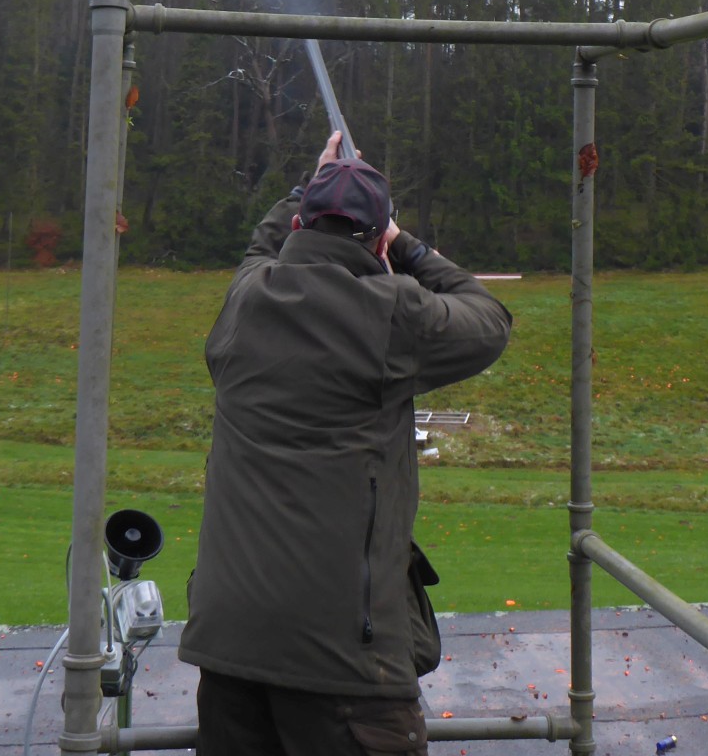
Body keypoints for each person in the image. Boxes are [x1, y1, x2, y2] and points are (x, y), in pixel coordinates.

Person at [178, 133, 513, 756]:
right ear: (376, 241)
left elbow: (261, 247)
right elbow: (488, 319)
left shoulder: (247, 297)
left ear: (299, 224)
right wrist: (406, 245)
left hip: (229, 645)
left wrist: (307, 185)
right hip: (341, 661)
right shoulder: (391, 311)